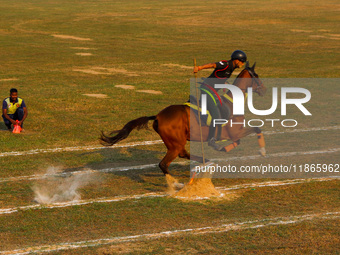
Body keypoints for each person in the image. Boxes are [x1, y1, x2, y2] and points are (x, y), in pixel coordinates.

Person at [193, 50, 247, 147]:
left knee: (224, 109)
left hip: (212, 92)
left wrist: (223, 84)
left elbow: (219, 76)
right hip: (207, 90)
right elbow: (213, 65)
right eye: (242, 62)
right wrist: (200, 68)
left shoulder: (232, 68)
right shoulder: (226, 64)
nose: (242, 64)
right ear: (237, 60)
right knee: (216, 115)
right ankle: (211, 139)